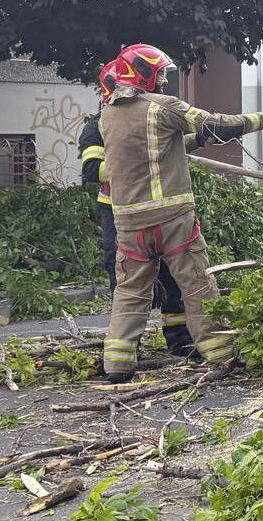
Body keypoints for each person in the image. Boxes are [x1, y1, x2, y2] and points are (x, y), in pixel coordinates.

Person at [98, 44, 263, 381]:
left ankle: (117, 365)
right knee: (198, 285)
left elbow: (157, 151)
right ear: (146, 74)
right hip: (173, 218)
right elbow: (217, 124)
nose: (163, 80)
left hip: (128, 222)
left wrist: (197, 142)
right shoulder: (163, 107)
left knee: (130, 292)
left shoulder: (109, 114)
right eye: (160, 74)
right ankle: (221, 355)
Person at [79, 64, 197, 359]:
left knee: (173, 272)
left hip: (158, 207)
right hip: (119, 212)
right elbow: (92, 170)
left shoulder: (151, 114)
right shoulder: (98, 125)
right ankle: (128, 346)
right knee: (124, 278)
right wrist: (130, 162)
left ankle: (179, 339)